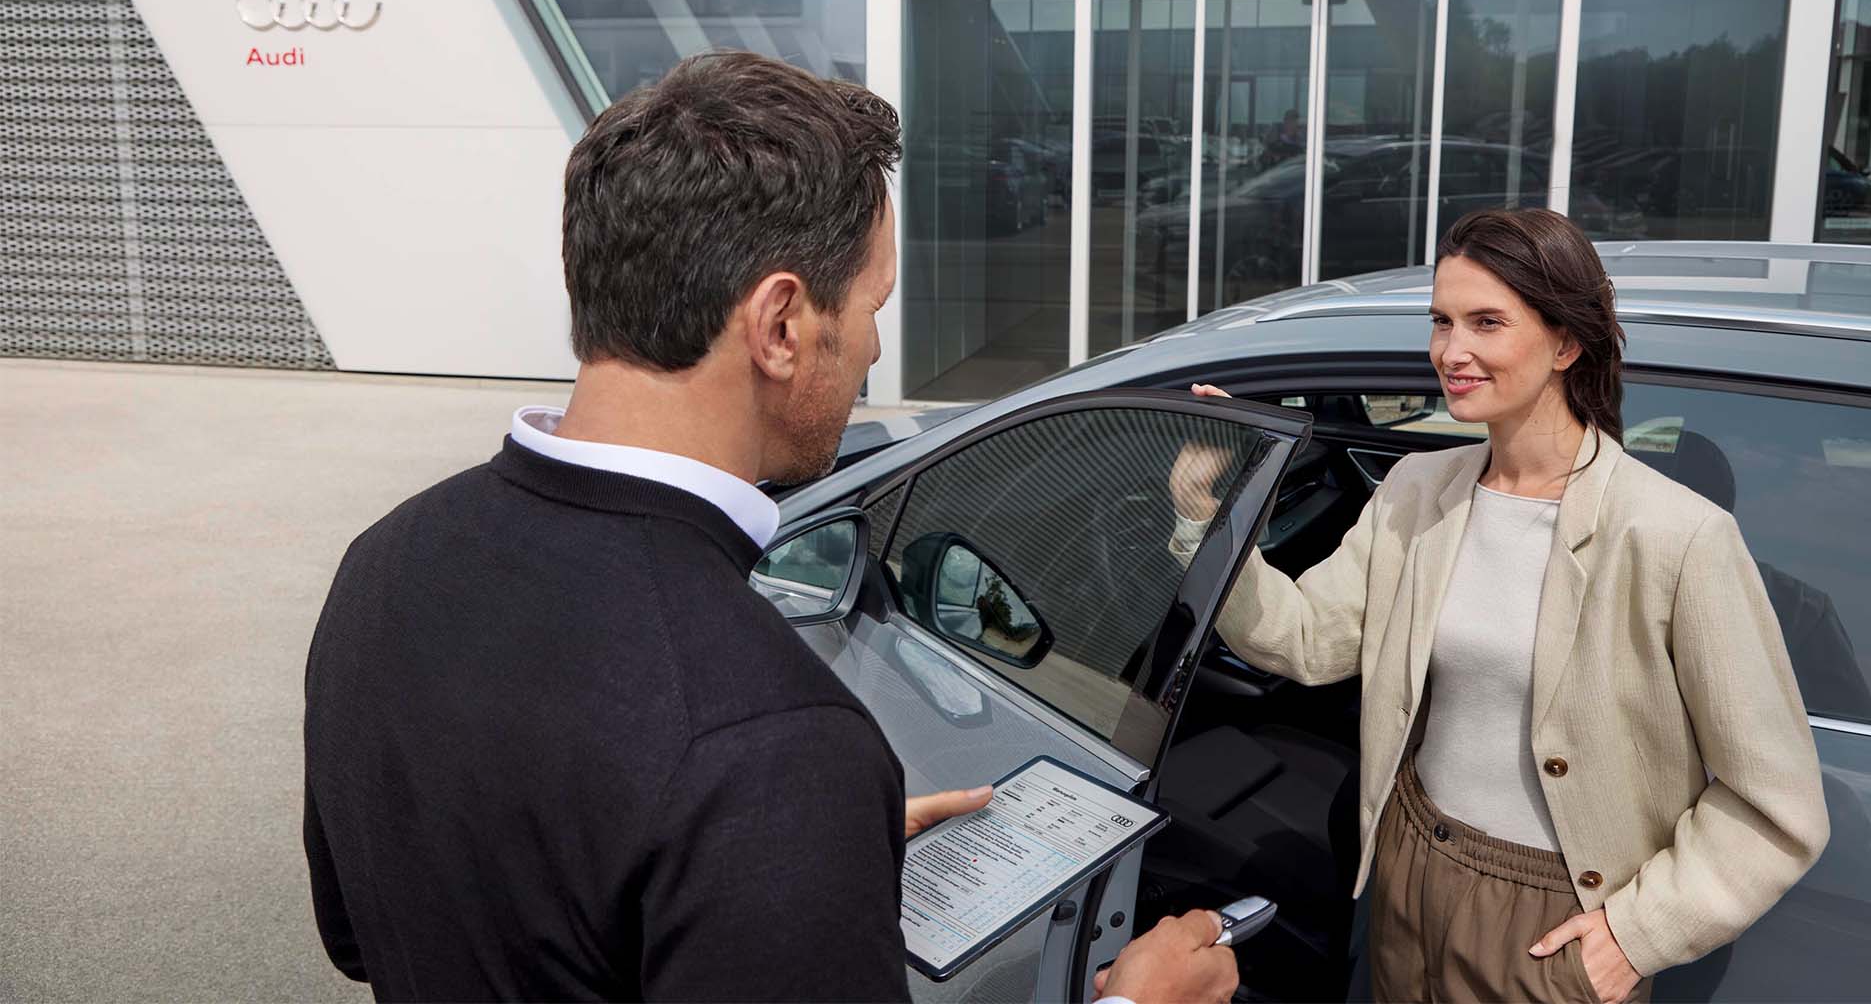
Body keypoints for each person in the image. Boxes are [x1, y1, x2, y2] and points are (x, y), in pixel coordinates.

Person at [304, 50, 1235, 1002]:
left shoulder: (385, 562)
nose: (873, 345)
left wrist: (788, 867)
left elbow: (359, 935)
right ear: (782, 326)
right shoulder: (774, 742)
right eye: (874, 304)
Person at [1168, 208, 1828, 1003]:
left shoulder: (1676, 537)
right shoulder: (1418, 490)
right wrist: (1204, 513)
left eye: (1487, 322)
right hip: (1410, 867)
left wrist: (1634, 936)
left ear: (1564, 342)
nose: (1453, 351)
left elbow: (1777, 803)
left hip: (1559, 911)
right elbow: (1308, 642)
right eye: (1442, 321)